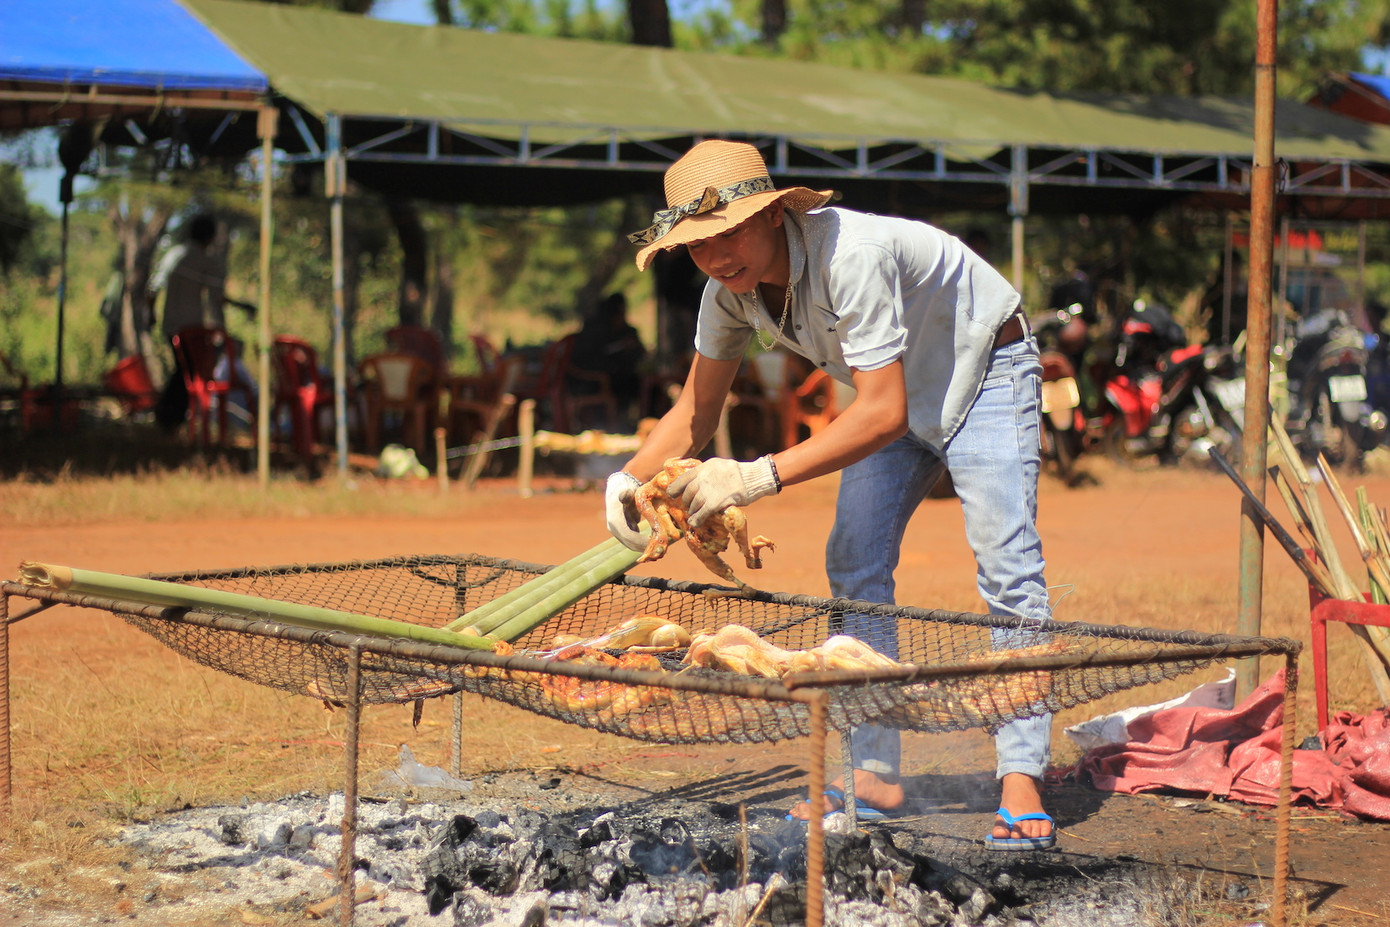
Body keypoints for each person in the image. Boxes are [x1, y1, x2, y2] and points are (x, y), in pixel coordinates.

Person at [603, 139, 1056, 850]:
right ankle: (873, 771)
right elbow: (695, 410)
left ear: (776, 213)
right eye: (699, 244)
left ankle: (1023, 774)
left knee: (1006, 563)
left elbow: (880, 411)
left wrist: (753, 475)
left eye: (731, 232)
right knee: (853, 558)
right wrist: (627, 486)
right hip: (895, 391)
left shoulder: (850, 255)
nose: (719, 256)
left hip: (983, 366)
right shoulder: (727, 295)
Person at [149, 213, 255, 428]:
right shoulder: (206, 261)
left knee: (184, 371)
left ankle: (170, 417)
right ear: (210, 237)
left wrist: (150, 313)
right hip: (191, 329)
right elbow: (218, 297)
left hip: (170, 325)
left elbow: (153, 288)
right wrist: (242, 306)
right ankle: (168, 416)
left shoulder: (174, 255)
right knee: (187, 373)